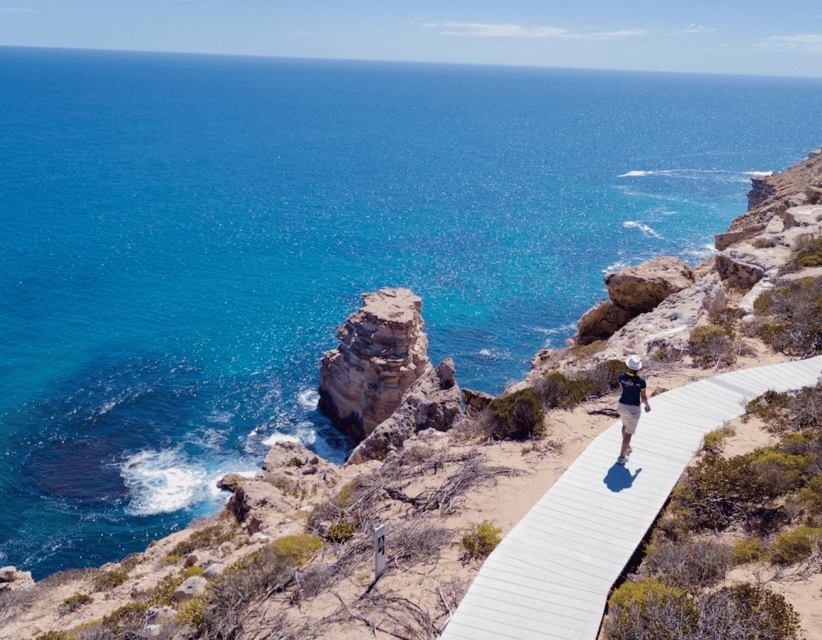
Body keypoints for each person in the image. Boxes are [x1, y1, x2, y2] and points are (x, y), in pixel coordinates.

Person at [617, 355, 650, 465]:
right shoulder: (642, 381)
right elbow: (643, 397)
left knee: (625, 426)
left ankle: (628, 447)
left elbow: (622, 388)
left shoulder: (621, 376)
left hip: (622, 405)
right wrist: (647, 406)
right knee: (629, 433)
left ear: (628, 366)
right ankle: (621, 457)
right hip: (633, 408)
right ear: (638, 368)